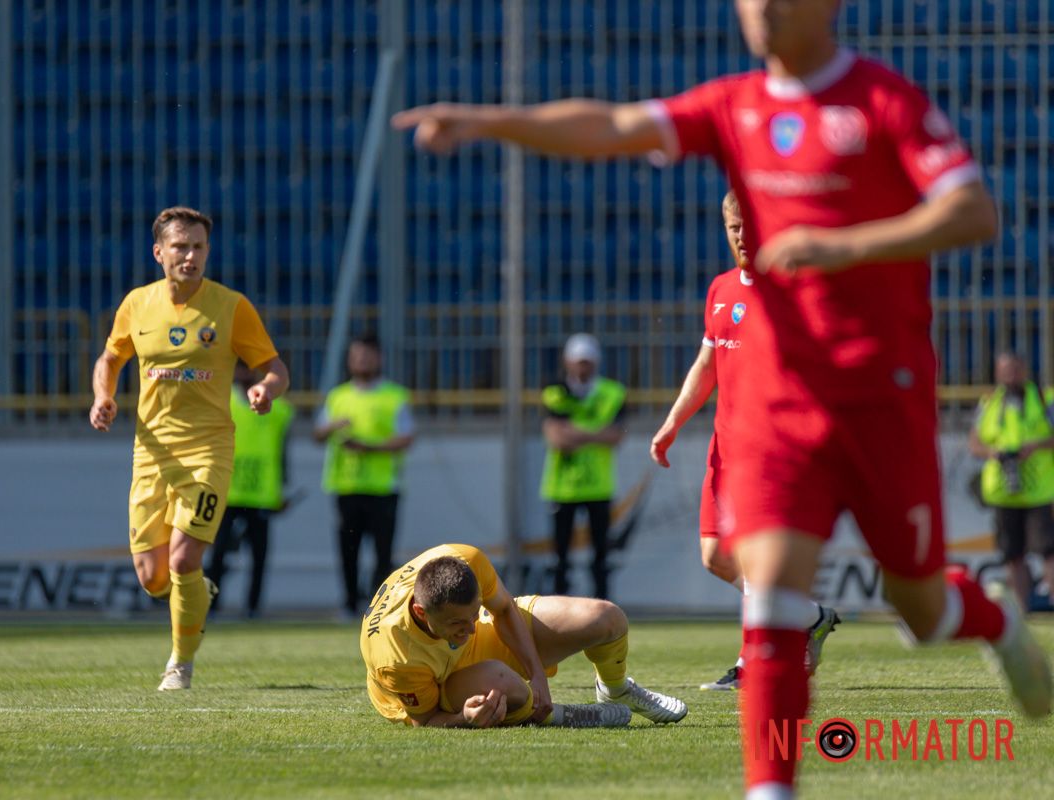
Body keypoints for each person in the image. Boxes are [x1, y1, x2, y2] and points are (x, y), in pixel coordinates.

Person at [392, 1, 1051, 795]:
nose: (762, 9)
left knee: (919, 605)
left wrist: (837, 245)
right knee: (769, 597)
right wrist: (489, 120)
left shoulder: (883, 101)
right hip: (781, 405)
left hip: (883, 395)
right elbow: (610, 126)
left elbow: (974, 212)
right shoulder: (735, 105)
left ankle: (998, 623)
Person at [89, 206, 289, 691]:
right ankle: (196, 594)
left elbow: (276, 367)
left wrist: (266, 388)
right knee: (154, 578)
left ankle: (180, 664)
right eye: (180, 246)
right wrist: (104, 395)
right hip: (152, 453)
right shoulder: (137, 304)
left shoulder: (230, 306)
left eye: (199, 247)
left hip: (208, 450)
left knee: (182, 560)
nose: (191, 256)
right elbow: (111, 357)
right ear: (159, 252)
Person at [652, 192, 838, 692]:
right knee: (715, 557)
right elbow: (708, 364)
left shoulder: (790, 287)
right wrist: (673, 422)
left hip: (769, 450)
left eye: (748, 226)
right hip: (724, 447)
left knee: (757, 558)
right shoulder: (720, 289)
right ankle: (807, 616)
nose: (741, 236)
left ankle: (753, 662)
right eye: (733, 227)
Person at [359, 542, 688, 728]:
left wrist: (537, 675)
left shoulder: (465, 560)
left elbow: (502, 609)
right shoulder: (397, 658)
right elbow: (425, 720)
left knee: (607, 619)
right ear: (421, 613)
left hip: (452, 651)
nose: (472, 628)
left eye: (475, 614)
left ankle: (615, 689)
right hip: (431, 683)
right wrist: (464, 718)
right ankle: (559, 715)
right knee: (503, 685)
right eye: (460, 624)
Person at [314, 333, 415, 619]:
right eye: (357, 356)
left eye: (367, 356)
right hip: (346, 486)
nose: (361, 361)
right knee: (348, 550)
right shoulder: (338, 396)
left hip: (384, 487)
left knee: (383, 554)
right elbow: (318, 434)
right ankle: (349, 603)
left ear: (378, 358)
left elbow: (406, 438)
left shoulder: (394, 396)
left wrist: (368, 447)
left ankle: (378, 606)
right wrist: (333, 425)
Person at [205, 363, 295, 618]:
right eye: (239, 367)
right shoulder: (221, 403)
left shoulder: (280, 410)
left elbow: (282, 454)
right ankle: (212, 605)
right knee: (219, 552)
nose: (243, 373)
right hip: (227, 493)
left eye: (247, 368)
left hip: (261, 495)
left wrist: (282, 490)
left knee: (258, 556)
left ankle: (253, 607)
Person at [541, 333, 626, 599]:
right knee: (560, 556)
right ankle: (560, 607)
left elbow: (615, 437)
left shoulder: (612, 393)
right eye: (578, 361)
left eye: (587, 362)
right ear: (567, 362)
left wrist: (574, 432)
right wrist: (595, 433)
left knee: (601, 555)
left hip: (598, 485)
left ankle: (603, 607)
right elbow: (556, 439)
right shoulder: (555, 392)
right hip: (562, 487)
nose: (582, 367)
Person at [969, 352, 1054, 610]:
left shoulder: (1043, 399)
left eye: (1015, 370)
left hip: (1038, 490)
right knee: (1012, 554)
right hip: (1003, 491)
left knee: (1048, 551)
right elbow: (975, 443)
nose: (1010, 375)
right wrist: (992, 452)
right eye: (1005, 370)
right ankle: (1021, 610)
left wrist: (1036, 446)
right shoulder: (989, 403)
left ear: (1024, 370)